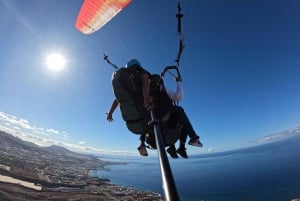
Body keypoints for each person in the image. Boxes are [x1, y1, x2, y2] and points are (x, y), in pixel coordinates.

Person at [106, 59, 153, 157]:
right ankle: (144, 143)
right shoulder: (140, 72)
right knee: (153, 116)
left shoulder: (125, 83)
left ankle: (142, 144)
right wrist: (146, 98)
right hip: (142, 115)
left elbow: (117, 99)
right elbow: (146, 83)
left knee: (145, 123)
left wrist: (110, 113)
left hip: (130, 124)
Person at [151, 74, 203, 159]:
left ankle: (177, 148)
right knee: (180, 112)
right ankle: (192, 138)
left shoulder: (146, 92)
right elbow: (179, 97)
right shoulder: (163, 89)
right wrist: (179, 82)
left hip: (154, 119)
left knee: (180, 121)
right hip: (164, 116)